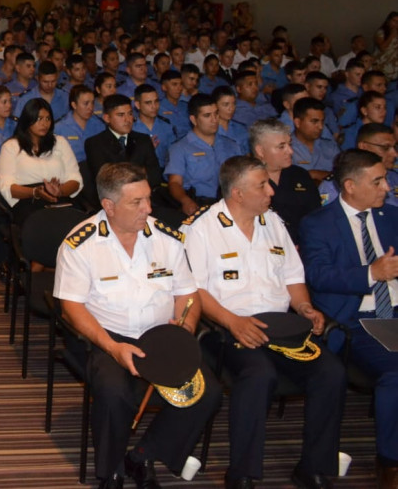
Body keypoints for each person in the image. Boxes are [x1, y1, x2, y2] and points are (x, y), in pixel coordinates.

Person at [53, 162, 220, 489]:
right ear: (109, 206)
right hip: (106, 337)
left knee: (208, 392)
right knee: (114, 392)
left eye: (148, 198)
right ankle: (111, 470)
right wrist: (113, 347)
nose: (148, 208)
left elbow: (187, 294)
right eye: (137, 202)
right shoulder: (79, 244)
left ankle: (143, 454)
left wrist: (184, 328)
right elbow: (72, 307)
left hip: (161, 336)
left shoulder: (166, 238)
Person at [182, 156, 344, 489]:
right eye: (262, 185)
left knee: (331, 372)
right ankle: (242, 473)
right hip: (227, 330)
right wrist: (233, 322)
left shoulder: (273, 222)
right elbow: (194, 290)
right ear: (238, 193)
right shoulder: (202, 229)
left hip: (281, 327)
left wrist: (304, 308)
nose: (271, 190)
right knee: (260, 375)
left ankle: (313, 466)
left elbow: (293, 275)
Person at [300, 149, 398, 489]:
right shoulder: (318, 224)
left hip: (395, 315)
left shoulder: (391, 218)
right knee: (396, 371)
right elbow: (318, 276)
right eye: (378, 181)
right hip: (355, 322)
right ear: (350, 186)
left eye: (385, 179)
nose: (387, 187)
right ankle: (390, 461)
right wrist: (370, 273)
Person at [0, 97, 83, 229]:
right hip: (28, 200)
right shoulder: (11, 146)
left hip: (60, 197)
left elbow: (75, 179)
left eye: (48, 119)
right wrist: (36, 192)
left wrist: (59, 191)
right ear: (28, 120)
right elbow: (6, 186)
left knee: (77, 224)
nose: (44, 124)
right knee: (44, 226)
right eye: (39, 119)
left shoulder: (60, 142)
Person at [249, 118, 320, 245]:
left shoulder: (300, 175)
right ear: (260, 151)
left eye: (290, 144)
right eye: (281, 147)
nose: (290, 151)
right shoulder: (243, 179)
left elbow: (316, 218)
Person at [165, 93, 240, 216]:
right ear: (194, 119)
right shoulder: (180, 148)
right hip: (199, 205)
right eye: (207, 115)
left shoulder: (231, 145)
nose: (214, 120)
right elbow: (175, 183)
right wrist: (186, 201)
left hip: (231, 204)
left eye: (216, 113)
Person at [84, 94, 163, 206]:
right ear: (107, 118)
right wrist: (140, 171)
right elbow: (105, 179)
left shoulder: (143, 140)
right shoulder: (95, 143)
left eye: (130, 114)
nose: (127, 120)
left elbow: (155, 176)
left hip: (144, 199)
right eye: (121, 115)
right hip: (113, 202)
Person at [291, 97, 341, 182]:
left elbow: (343, 175)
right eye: (314, 121)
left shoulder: (330, 146)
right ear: (298, 122)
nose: (321, 127)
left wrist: (314, 174)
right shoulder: (287, 148)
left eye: (322, 121)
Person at [54, 85, 106, 164]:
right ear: (74, 105)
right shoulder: (59, 128)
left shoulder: (100, 125)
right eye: (86, 103)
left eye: (92, 103)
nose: (90, 107)